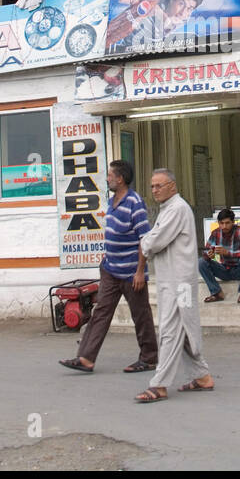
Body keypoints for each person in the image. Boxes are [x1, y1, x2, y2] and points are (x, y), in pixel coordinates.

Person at [59, 160, 157, 374]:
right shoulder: (112, 202)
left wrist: (140, 271)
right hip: (111, 270)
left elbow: (144, 239)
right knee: (101, 312)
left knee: (140, 314)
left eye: (110, 175)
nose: (107, 178)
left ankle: (149, 358)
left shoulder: (135, 202)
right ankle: (85, 358)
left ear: (120, 179)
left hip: (132, 273)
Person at [135, 169, 214, 401]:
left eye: (159, 186)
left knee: (170, 330)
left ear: (173, 185)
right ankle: (202, 376)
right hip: (174, 281)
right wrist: (146, 241)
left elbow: (153, 242)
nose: (154, 190)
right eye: (152, 186)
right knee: (184, 328)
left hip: (179, 283)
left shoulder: (177, 209)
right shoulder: (169, 209)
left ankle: (159, 384)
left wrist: (144, 242)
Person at [106, 0, 205, 54]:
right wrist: (140, 7)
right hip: (127, 52)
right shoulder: (153, 2)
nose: (183, 13)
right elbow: (115, 31)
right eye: (181, 3)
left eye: (190, 8)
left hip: (151, 54)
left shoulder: (182, 17)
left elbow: (167, 26)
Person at [199, 208, 240, 303]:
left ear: (233, 222)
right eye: (221, 223)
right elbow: (206, 251)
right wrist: (209, 255)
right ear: (218, 223)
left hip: (239, 270)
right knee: (201, 262)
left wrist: (228, 253)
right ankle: (216, 293)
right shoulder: (216, 233)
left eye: (227, 223)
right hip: (224, 269)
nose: (224, 226)